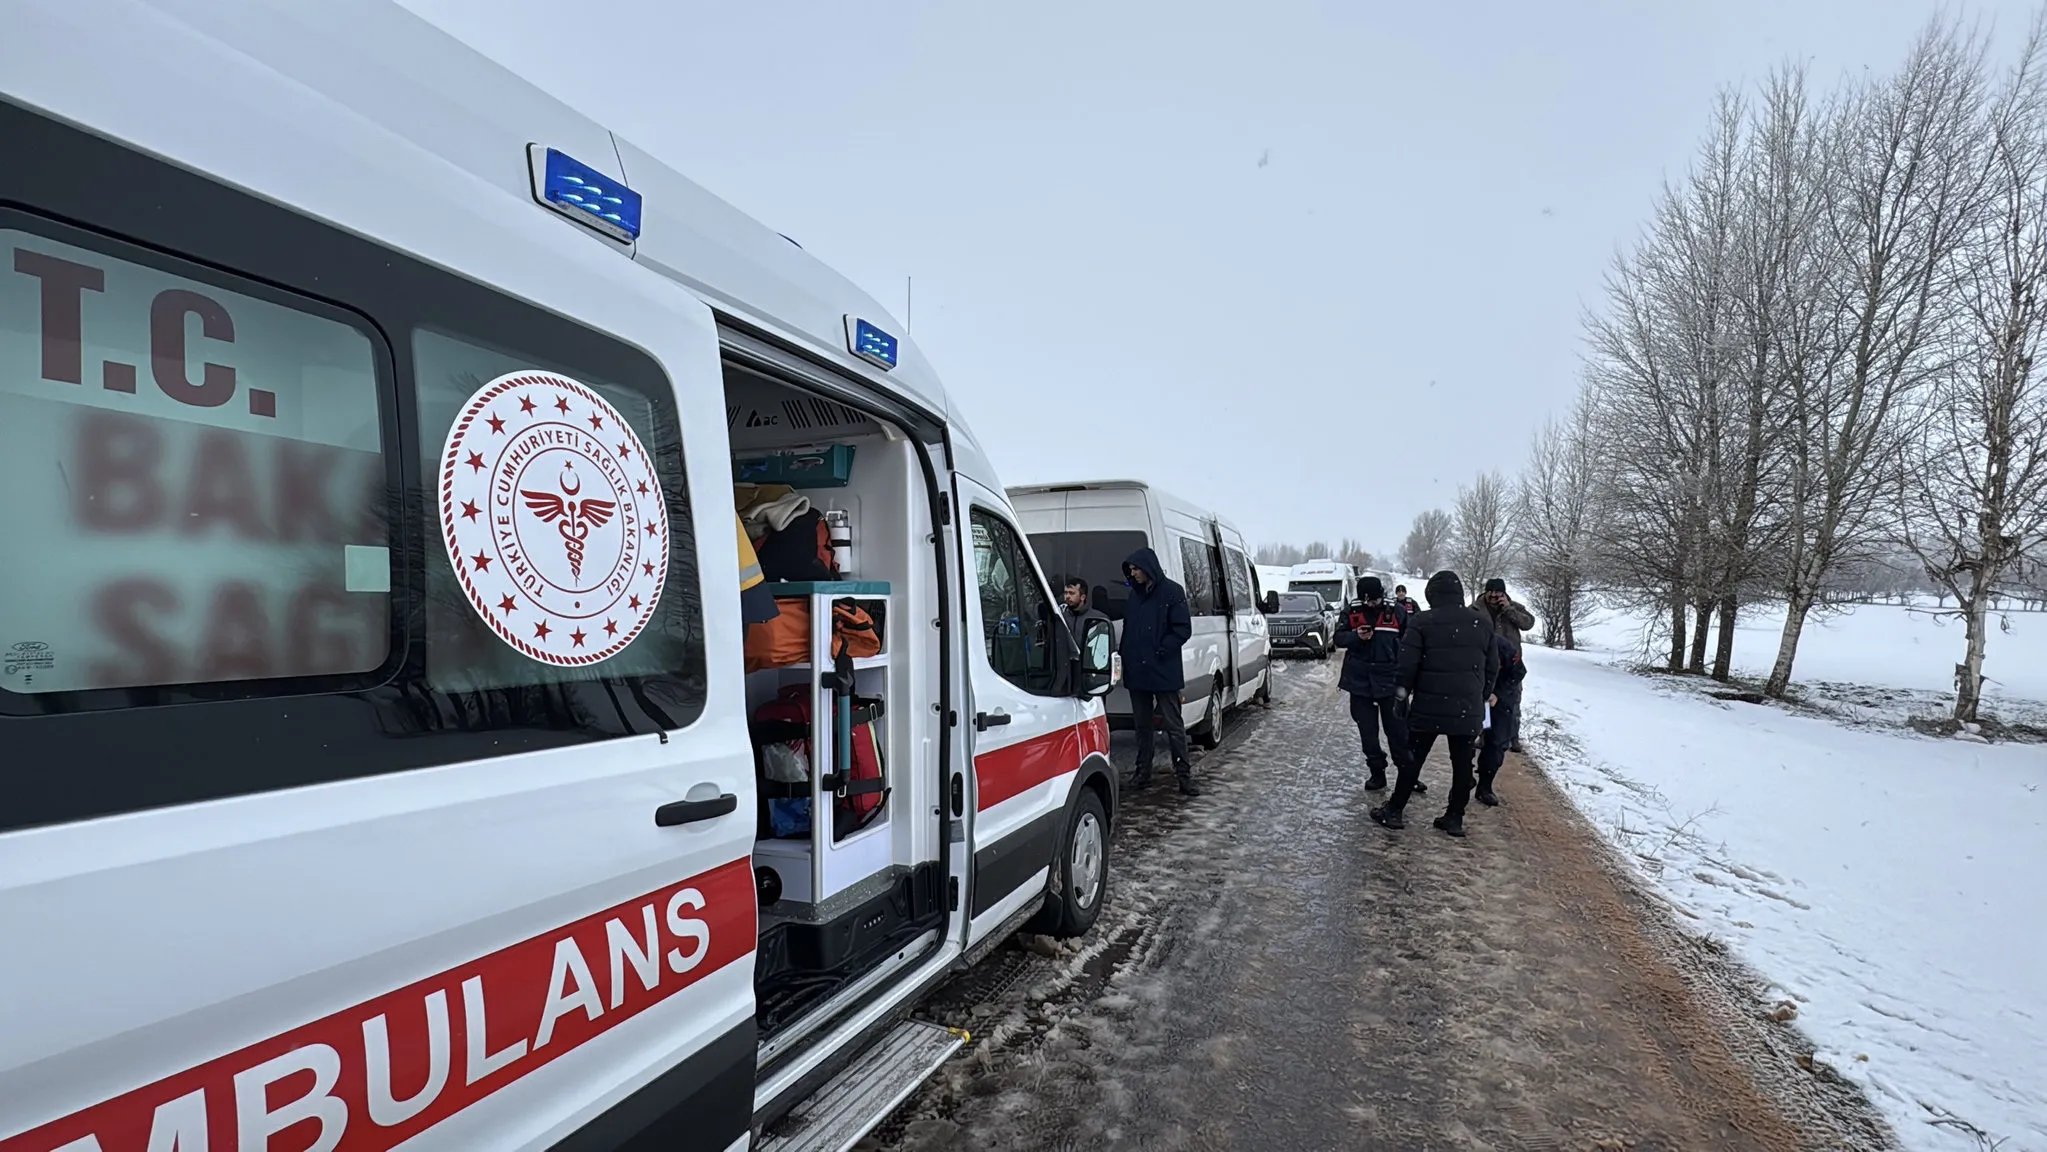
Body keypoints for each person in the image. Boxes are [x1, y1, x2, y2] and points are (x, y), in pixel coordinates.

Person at [1371, 570, 1497, 837]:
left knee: (1413, 758)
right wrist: (1481, 694)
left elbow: (1407, 666)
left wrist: (1401, 697)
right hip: (1468, 707)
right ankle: (1455, 817)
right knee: (1463, 764)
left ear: (1432, 595)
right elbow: (1493, 667)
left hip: (1429, 705)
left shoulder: (1422, 622)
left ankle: (1394, 810)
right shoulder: (1482, 623)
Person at [1119, 548, 1199, 796]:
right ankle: (1142, 772)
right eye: (1130, 571)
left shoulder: (1172, 592)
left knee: (1174, 726)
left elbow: (1182, 629)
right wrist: (1124, 658)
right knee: (1142, 727)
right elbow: (1129, 630)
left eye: (1136, 569)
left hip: (1163, 670)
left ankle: (1184, 776)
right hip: (1137, 670)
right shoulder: (1134, 596)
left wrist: (1161, 651)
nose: (1133, 574)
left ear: (1148, 568)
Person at [1335, 576, 1415, 793]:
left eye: (1376, 599)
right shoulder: (1351, 612)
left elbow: (1411, 641)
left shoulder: (1397, 611)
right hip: (1361, 683)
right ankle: (1377, 772)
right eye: (1369, 601)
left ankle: (1409, 774)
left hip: (1390, 682)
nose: (1373, 604)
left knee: (1399, 734)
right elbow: (1338, 639)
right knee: (1368, 735)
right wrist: (1356, 636)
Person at [1476, 578, 1535, 753]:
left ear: (1504, 593)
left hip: (1510, 664)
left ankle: (1513, 738)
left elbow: (1528, 623)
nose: (1494, 596)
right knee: (1486, 701)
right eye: (1491, 592)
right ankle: (1484, 736)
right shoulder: (1476, 608)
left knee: (1513, 701)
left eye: (1498, 592)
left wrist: (1508, 609)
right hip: (1486, 663)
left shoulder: (1514, 607)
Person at [1475, 628, 1526, 806]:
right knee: (1461, 740)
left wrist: (1498, 693)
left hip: (1499, 698)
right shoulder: (1458, 644)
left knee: (1496, 742)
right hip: (1470, 694)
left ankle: (1485, 786)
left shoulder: (1503, 647)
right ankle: (1463, 780)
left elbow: (1519, 672)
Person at [1059, 576, 1109, 647]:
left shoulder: (1098, 619)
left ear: (1083, 597)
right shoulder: (1061, 618)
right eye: (1065, 593)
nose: (1067, 596)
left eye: (1071, 593)